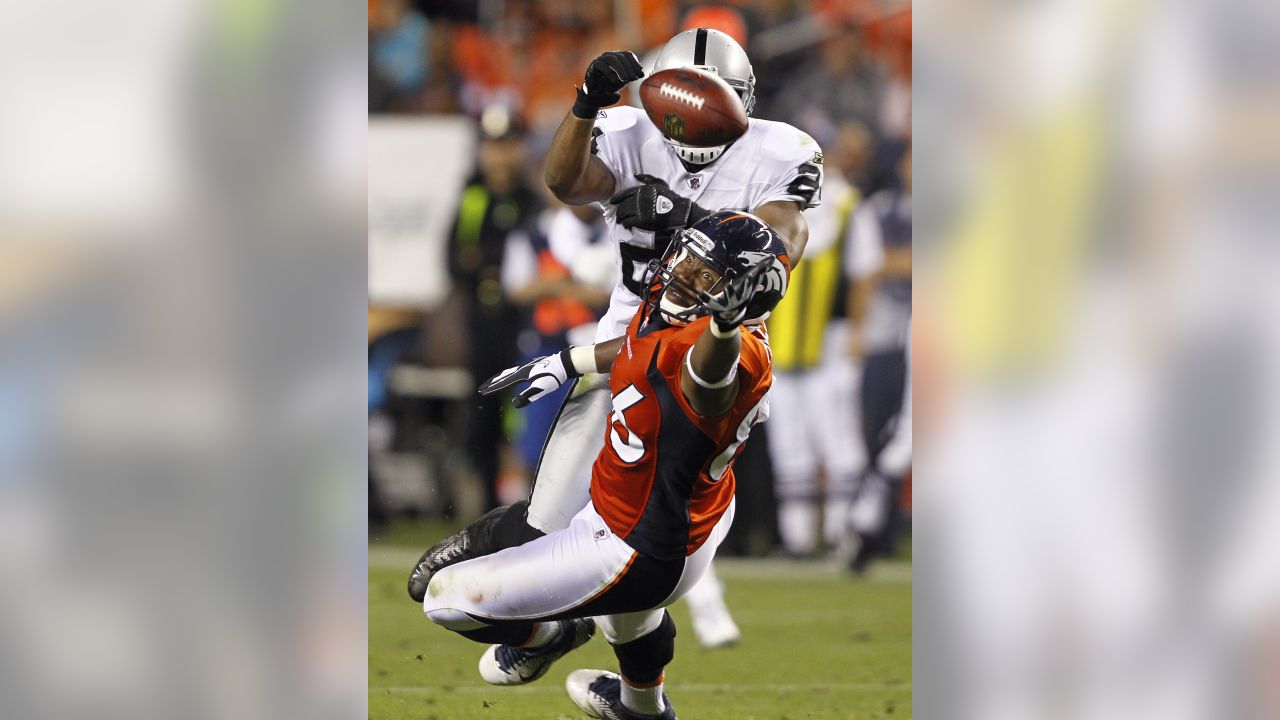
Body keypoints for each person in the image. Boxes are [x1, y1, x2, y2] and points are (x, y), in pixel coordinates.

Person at [408, 27, 822, 649]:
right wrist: (585, 102)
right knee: (548, 521)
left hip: (705, 354)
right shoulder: (628, 131)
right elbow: (565, 182)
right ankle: (572, 640)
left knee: (655, 518)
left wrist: (682, 221)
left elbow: (778, 240)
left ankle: (671, 620)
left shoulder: (781, 152)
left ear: (747, 101)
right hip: (621, 343)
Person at [420, 212, 790, 720]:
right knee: (628, 623)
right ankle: (642, 708)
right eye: (688, 257)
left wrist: (723, 329)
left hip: (636, 545)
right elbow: (644, 347)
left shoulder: (729, 350)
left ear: (742, 299)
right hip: (671, 516)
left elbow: (707, 385)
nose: (684, 275)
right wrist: (570, 361)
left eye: (707, 275)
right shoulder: (684, 318)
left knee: (445, 599)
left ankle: (550, 635)